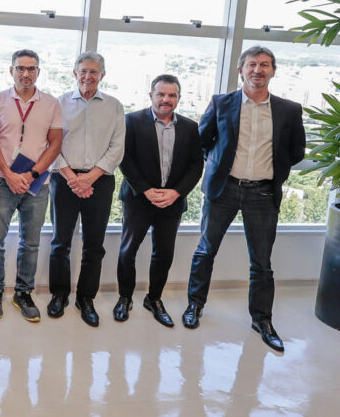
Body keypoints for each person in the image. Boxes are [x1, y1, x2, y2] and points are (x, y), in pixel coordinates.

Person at [183, 46, 305, 352]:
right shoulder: (221, 103)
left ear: (273, 71)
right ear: (241, 70)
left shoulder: (289, 110)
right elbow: (202, 141)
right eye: (251, 64)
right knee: (205, 251)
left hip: (263, 193)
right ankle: (194, 306)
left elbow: (295, 151)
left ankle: (262, 320)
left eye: (264, 65)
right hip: (223, 189)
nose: (257, 70)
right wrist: (218, 166)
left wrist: (272, 172)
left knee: (261, 262)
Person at [114, 75, 203, 327]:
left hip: (172, 202)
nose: (166, 99)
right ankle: (124, 298)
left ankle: (153, 299)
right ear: (151, 95)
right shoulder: (131, 121)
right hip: (138, 199)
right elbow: (124, 158)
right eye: (161, 94)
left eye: (172, 95)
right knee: (128, 250)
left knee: (163, 253)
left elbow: (196, 165)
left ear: (178, 98)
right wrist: (145, 190)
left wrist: (176, 193)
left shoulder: (190, 127)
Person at [0, 49, 63, 322]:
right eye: (20, 68)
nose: (25, 73)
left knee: (30, 242)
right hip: (1, 179)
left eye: (31, 69)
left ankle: (23, 293)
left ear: (38, 72)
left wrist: (31, 174)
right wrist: (8, 174)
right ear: (12, 70)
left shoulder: (51, 103)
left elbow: (55, 144)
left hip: (37, 183)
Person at [48, 51, 124, 327]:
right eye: (83, 71)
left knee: (94, 245)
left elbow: (117, 147)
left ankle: (85, 298)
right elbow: (51, 144)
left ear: (102, 74)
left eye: (94, 71)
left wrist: (89, 178)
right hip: (64, 178)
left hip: (99, 181)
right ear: (75, 73)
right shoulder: (59, 104)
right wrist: (73, 178)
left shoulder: (114, 106)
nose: (88, 76)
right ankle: (59, 295)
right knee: (60, 242)